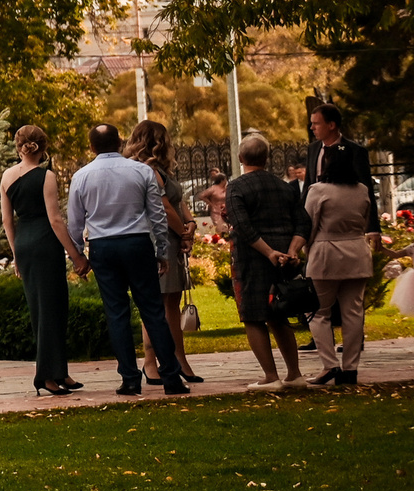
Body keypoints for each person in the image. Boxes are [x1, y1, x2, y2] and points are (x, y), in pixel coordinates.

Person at [65, 123, 187, 397]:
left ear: (92, 147)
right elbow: (156, 213)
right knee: (153, 310)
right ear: (120, 143)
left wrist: (78, 255)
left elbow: (75, 221)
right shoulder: (141, 171)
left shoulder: (81, 176)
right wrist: (161, 251)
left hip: (103, 246)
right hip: (136, 242)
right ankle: (171, 377)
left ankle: (130, 379)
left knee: (117, 312)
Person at [0, 124, 81, 396]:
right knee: (52, 308)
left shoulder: (7, 177)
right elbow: (55, 219)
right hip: (46, 242)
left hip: (24, 243)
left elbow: (7, 220)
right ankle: (45, 376)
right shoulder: (47, 176)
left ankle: (60, 371)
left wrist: (15, 254)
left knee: (43, 308)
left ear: (19, 146)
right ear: (43, 147)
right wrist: (74, 253)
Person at [221, 132, 307, 389]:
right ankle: (295, 374)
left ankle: (271, 376)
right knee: (279, 314)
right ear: (267, 157)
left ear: (240, 157)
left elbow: (242, 226)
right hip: (284, 259)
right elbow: (303, 221)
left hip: (253, 259)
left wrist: (268, 252)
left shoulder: (236, 186)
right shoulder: (284, 186)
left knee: (253, 316)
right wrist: (292, 250)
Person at [124, 119, 203, 387]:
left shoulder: (161, 170)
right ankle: (152, 361)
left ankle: (177, 357)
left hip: (172, 237)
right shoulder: (146, 170)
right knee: (157, 303)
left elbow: (178, 201)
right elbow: (164, 208)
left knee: (171, 303)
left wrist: (189, 225)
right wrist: (183, 233)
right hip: (159, 239)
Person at [304, 150, 375, 386]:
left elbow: (309, 225)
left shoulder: (318, 190)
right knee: (353, 312)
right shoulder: (362, 190)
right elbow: (364, 220)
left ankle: (329, 365)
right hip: (356, 252)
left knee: (318, 311)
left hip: (326, 253)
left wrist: (305, 250)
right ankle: (351, 368)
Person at [307, 102, 384, 232]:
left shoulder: (355, 151)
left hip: (345, 221)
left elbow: (367, 189)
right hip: (318, 220)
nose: (312, 128)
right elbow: (308, 186)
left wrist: (373, 229)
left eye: (316, 123)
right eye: (312, 123)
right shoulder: (313, 149)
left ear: (331, 125)